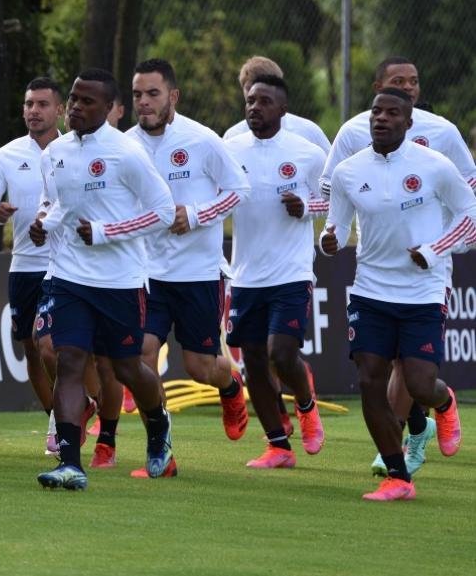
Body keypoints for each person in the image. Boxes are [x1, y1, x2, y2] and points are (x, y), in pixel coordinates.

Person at [321, 56, 476, 477]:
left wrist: (436, 247)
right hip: (370, 287)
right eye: (378, 112)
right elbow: (332, 221)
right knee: (371, 376)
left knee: (417, 380)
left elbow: (470, 209)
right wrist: (328, 240)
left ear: (410, 124)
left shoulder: (436, 157)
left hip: (425, 285)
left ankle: (439, 406)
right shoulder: (349, 169)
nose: (382, 119)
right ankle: (395, 468)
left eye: (393, 113)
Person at [30, 69, 177, 491]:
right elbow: (60, 204)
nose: (75, 107)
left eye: (86, 101)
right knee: (70, 361)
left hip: (120, 281)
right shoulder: (54, 153)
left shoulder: (126, 153)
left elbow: (163, 212)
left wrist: (107, 232)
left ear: (111, 109)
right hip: (69, 276)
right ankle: (70, 462)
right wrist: (45, 222)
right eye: (73, 99)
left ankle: (157, 427)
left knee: (128, 369)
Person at [125, 59, 251, 473]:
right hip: (146, 275)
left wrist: (195, 214)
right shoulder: (124, 145)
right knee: (141, 357)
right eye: (138, 94)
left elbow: (239, 190)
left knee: (200, 367)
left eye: (153, 94)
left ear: (173, 96)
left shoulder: (203, 140)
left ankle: (231, 386)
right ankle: (160, 450)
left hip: (198, 274)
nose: (143, 102)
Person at [223, 74, 328, 469]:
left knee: (281, 353)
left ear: (283, 109)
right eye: (251, 100)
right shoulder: (229, 149)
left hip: (292, 272)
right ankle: (279, 446)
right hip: (246, 274)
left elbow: (335, 202)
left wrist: (308, 206)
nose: (255, 107)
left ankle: (306, 404)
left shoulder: (306, 153)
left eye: (265, 101)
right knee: (251, 361)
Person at [0, 77, 63, 453]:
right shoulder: (7, 155)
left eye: (42, 104)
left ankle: (66, 420)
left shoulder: (74, 151)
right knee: (31, 349)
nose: (34, 111)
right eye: (29, 104)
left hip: (64, 266)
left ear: (59, 110)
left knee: (51, 346)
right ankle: (56, 418)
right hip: (23, 265)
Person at [223, 56, 330, 153]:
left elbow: (329, 171)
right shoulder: (232, 136)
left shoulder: (308, 131)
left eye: (264, 92)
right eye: (249, 88)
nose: (254, 93)